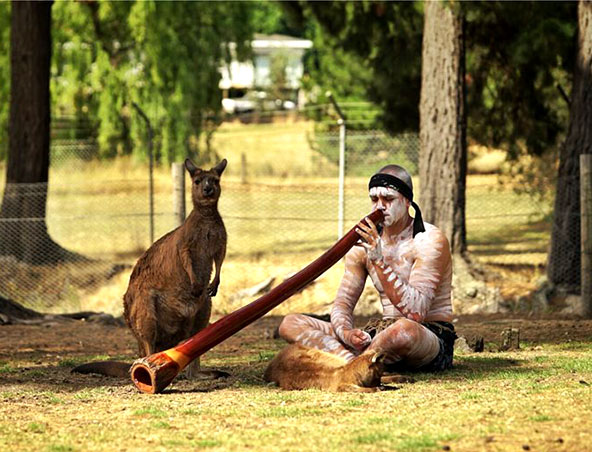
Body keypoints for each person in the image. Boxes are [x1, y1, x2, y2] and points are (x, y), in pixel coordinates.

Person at [277, 164, 456, 372]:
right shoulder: (366, 243)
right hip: (381, 334)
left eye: (388, 200)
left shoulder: (429, 240)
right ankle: (353, 364)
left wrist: (379, 261)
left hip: (428, 336)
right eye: (374, 200)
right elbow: (342, 304)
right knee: (290, 323)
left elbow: (416, 313)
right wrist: (346, 333)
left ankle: (355, 364)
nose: (380, 207)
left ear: (407, 201)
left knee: (403, 330)